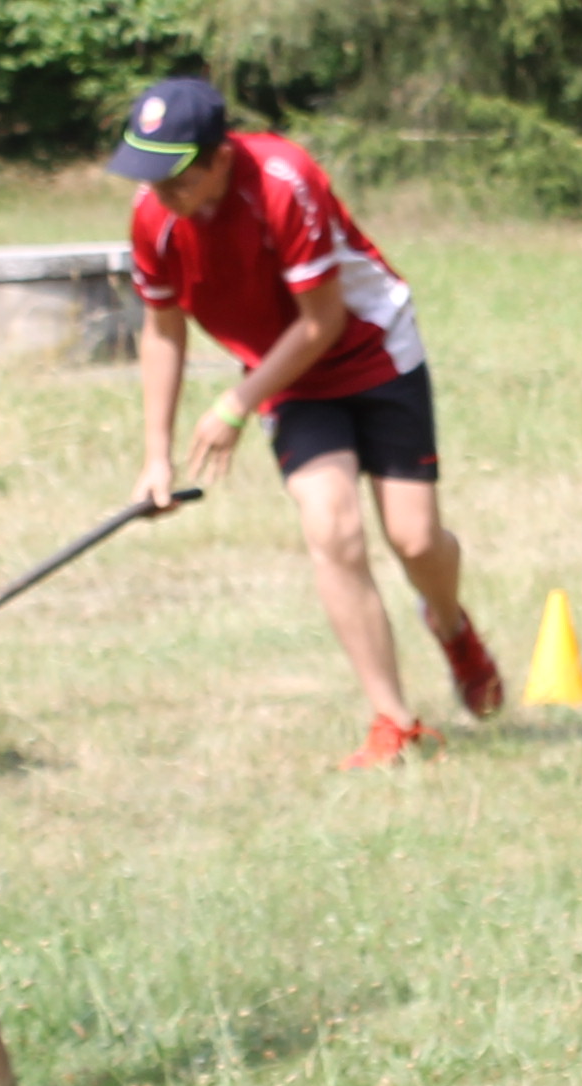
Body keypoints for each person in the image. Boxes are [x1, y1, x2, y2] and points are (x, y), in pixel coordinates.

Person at [115, 77, 505, 765]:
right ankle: (393, 720)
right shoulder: (154, 217)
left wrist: (234, 405)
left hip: (372, 350)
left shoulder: (283, 183)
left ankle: (450, 624)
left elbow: (323, 322)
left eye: (174, 176)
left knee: (414, 540)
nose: (159, 193)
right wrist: (156, 457)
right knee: (332, 525)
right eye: (149, 174)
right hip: (289, 378)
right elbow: (162, 331)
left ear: (221, 159)